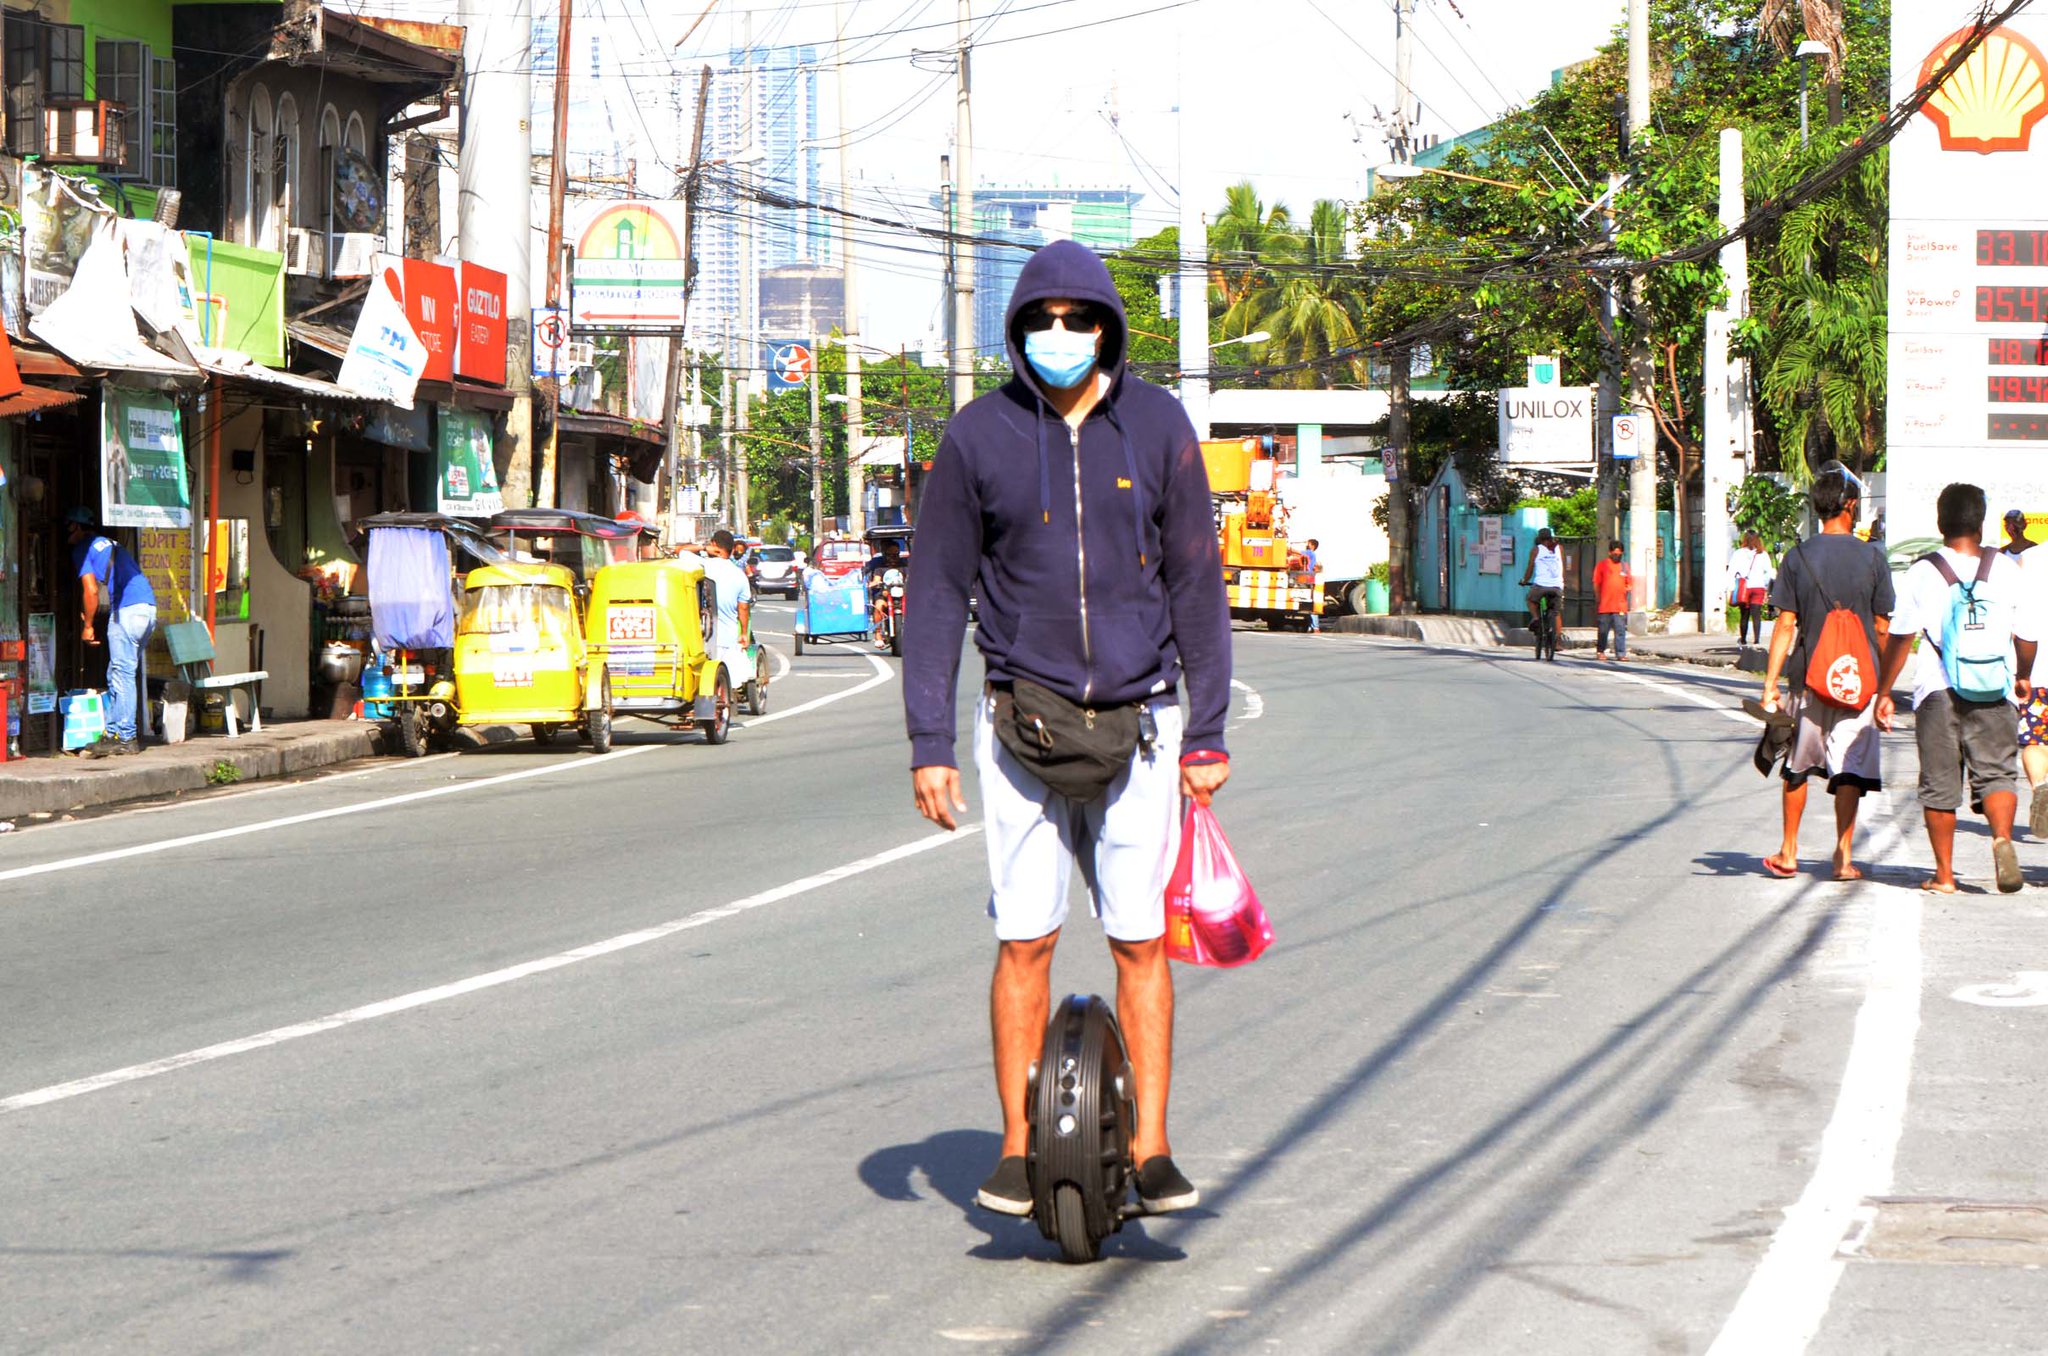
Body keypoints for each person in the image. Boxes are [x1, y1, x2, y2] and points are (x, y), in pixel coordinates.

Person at [902, 239, 1230, 1220]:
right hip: (1018, 726)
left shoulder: (1159, 426)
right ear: (1016, 332)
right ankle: (1012, 1147)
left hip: (1141, 725)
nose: (1057, 335)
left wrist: (1206, 733)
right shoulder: (977, 438)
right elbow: (932, 596)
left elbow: (1195, 586)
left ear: (1106, 328)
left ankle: (1154, 1144)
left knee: (1139, 942)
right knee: (1024, 943)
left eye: (1075, 318)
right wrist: (926, 744)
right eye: (1038, 320)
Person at [1876, 483, 2037, 893]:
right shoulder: (2004, 568)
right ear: (1981, 524)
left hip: (1937, 690)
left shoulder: (1923, 570)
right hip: (1994, 687)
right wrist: (2023, 675)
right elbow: (2028, 634)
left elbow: (1901, 635)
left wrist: (1884, 691)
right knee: (1999, 774)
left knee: (1940, 782)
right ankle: (2001, 838)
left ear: (1940, 522)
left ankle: (1944, 875)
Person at [1759, 463, 1894, 881]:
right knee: (1850, 766)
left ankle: (1788, 851)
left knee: (1798, 765)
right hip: (1860, 680)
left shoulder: (1797, 557)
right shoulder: (1873, 556)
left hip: (1808, 680)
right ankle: (1843, 856)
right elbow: (1882, 626)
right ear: (1850, 506)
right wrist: (1885, 687)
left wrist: (1770, 687)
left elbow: (1785, 624)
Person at [64, 507, 156, 757]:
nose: (66, 532)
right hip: (147, 609)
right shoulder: (111, 544)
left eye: (69, 525)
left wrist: (88, 625)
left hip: (127, 611)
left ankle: (126, 737)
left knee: (122, 673)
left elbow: (91, 592)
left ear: (79, 527)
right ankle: (113, 733)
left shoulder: (83, 548)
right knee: (117, 671)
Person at [700, 529, 752, 676]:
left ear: (714, 544)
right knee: (731, 680)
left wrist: (704, 548)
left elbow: (681, 551)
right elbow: (743, 608)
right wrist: (743, 633)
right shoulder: (739, 575)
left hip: (704, 636)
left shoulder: (704, 565)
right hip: (728, 639)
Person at [1729, 530, 1776, 646]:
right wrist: (1765, 586)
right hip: (1758, 587)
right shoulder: (1762, 554)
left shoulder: (1738, 553)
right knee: (1756, 615)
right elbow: (1769, 572)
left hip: (1744, 587)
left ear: (1745, 539)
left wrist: (1730, 587)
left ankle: (1743, 639)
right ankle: (1756, 640)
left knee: (1744, 615)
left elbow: (1731, 571)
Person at [1520, 527, 1564, 647]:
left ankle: (1536, 618)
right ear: (1550, 538)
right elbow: (1562, 567)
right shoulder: (1559, 548)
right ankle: (1558, 642)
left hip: (1540, 586)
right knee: (1556, 612)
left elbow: (1530, 568)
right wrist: (1561, 583)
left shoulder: (1536, 550)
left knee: (1530, 600)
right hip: (1557, 586)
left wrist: (1524, 580)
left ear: (1539, 539)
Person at [1593, 539, 1632, 661]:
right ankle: (1600, 651)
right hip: (1605, 605)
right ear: (1610, 553)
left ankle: (1620, 653)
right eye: (1615, 554)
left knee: (1620, 631)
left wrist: (1627, 588)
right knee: (1603, 631)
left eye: (1620, 554)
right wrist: (1598, 598)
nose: (1617, 556)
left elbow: (1629, 583)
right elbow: (1596, 583)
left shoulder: (1625, 567)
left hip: (1620, 605)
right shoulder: (1602, 565)